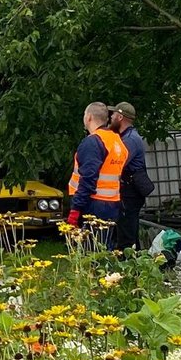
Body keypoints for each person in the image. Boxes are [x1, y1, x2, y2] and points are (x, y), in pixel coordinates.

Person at [66, 102, 129, 248]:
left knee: (90, 249)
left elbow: (88, 179)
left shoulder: (93, 142)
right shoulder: (116, 141)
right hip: (112, 203)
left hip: (92, 204)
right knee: (104, 247)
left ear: (88, 117)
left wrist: (75, 210)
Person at [110, 101, 154, 251]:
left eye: (114, 114)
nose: (111, 117)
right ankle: (134, 259)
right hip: (130, 190)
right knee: (128, 230)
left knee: (126, 234)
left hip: (130, 192)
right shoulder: (128, 137)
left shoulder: (129, 140)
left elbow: (117, 163)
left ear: (120, 117)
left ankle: (128, 260)